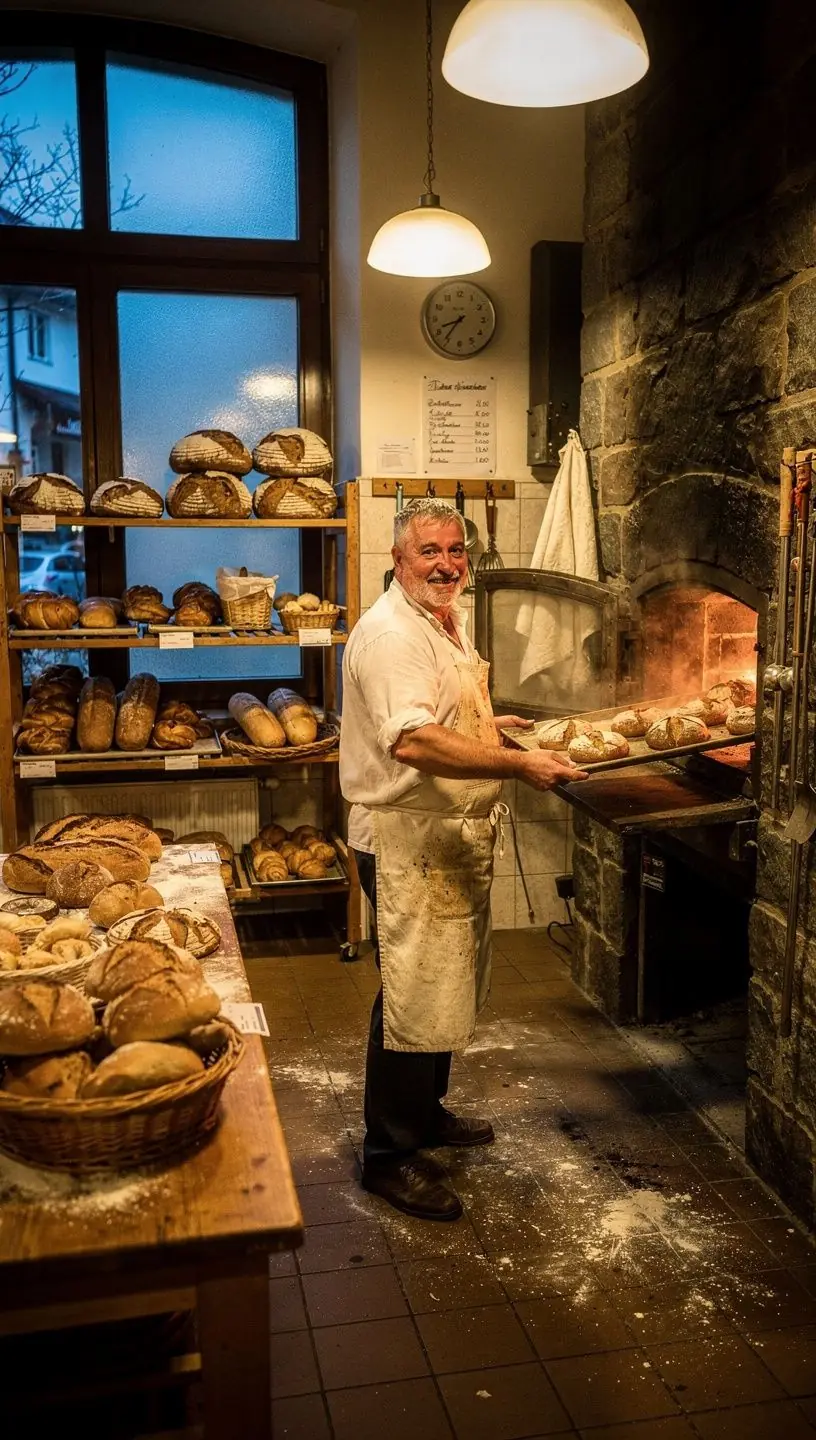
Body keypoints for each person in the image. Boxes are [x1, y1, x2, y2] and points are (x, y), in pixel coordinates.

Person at [339, 499, 586, 1221]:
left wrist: (489, 726)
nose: (447, 564)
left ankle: (426, 1115)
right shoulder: (390, 635)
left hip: (446, 835)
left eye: (456, 550)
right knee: (412, 993)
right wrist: (518, 766)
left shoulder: (438, 615)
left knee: (444, 986)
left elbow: (440, 712)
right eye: (429, 552)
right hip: (407, 837)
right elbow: (411, 741)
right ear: (398, 560)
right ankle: (387, 1155)